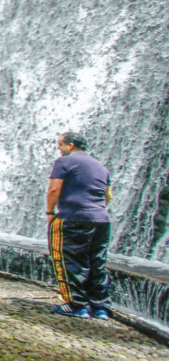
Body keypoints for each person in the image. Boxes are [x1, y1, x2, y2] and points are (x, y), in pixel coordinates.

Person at [46, 132, 113, 320]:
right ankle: (100, 308)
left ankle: (76, 305)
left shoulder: (64, 162)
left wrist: (51, 213)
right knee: (96, 262)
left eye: (60, 144)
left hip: (73, 217)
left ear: (71, 145)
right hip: (101, 219)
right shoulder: (101, 167)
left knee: (69, 260)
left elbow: (54, 189)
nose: (59, 148)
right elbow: (108, 195)